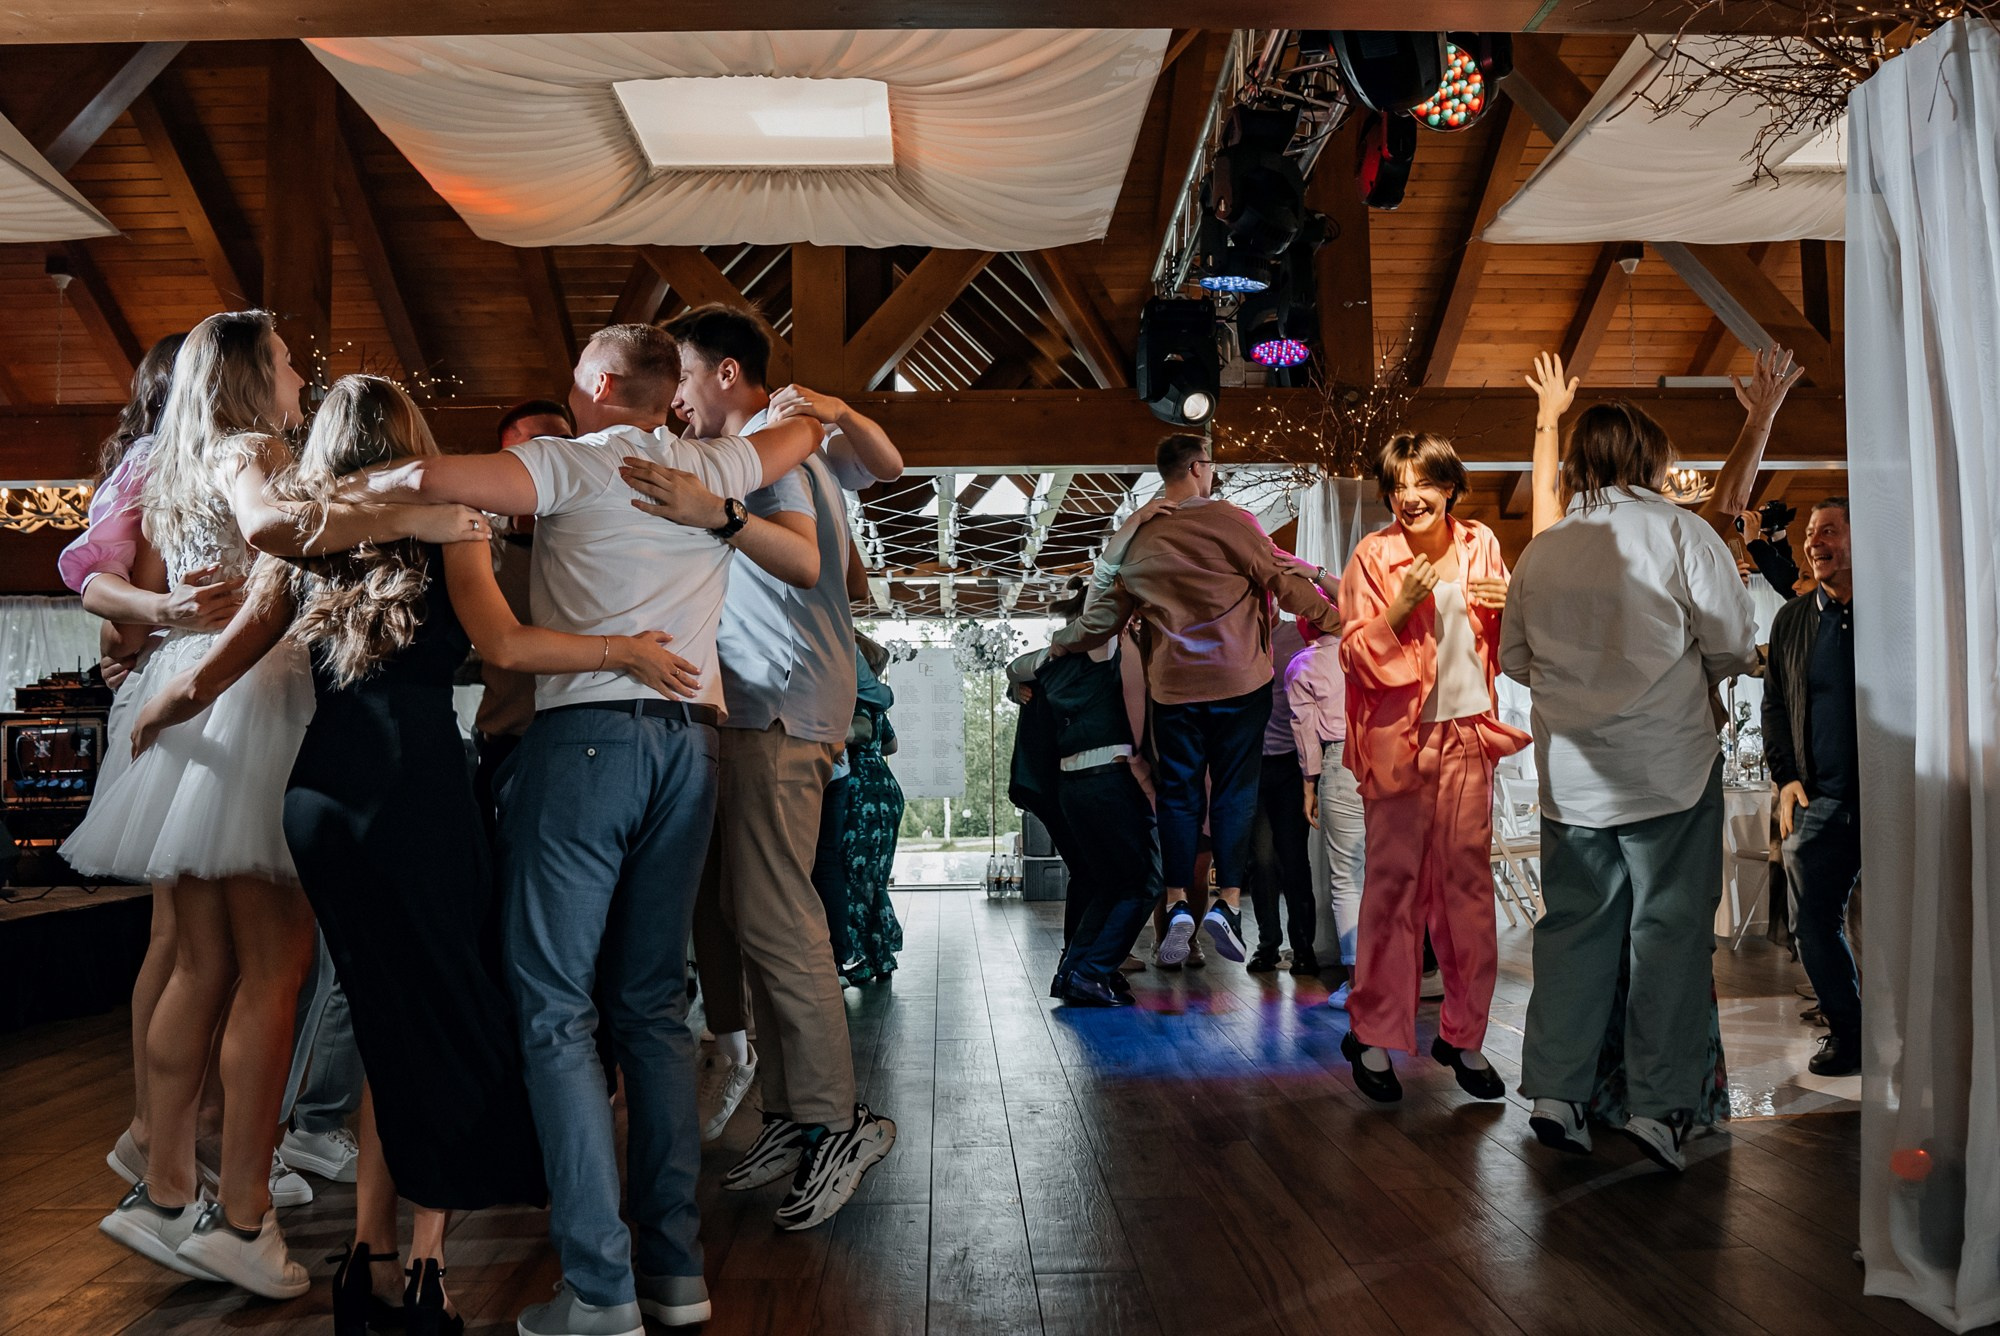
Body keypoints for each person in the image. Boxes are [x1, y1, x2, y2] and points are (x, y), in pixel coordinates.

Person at [132, 375, 689, 1331]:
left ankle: (365, 1258)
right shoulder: (453, 527)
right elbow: (505, 648)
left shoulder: (302, 542)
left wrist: (154, 708)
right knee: (438, 1021)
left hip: (321, 800)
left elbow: (218, 665)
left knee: (387, 1021)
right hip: (419, 795)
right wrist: (621, 654)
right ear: (412, 439)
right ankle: (423, 1270)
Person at [341, 322, 833, 1336]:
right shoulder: (716, 460)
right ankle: (674, 1274)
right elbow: (801, 436)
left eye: (574, 378)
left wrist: (317, 493)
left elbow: (420, 471)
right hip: (691, 747)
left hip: (587, 746)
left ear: (603, 383)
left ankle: (600, 1288)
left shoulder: (563, 462)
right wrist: (797, 425)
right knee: (651, 1011)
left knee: (555, 1010)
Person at [63, 310, 490, 1299]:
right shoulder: (255, 448)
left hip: (184, 696)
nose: (303, 378)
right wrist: (410, 515)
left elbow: (117, 575)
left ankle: (166, 1176)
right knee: (274, 970)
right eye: (291, 364)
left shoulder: (168, 459)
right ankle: (242, 1212)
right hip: (251, 700)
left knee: (191, 956)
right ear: (255, 376)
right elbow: (269, 533)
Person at [1512, 347, 1801, 1166]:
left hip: (1571, 780)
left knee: (1571, 933)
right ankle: (1659, 1111)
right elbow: (1732, 644)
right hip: (1669, 769)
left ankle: (1557, 1095)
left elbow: (1517, 662)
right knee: (1666, 938)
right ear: (1652, 459)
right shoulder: (1681, 534)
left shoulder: (1543, 551)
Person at [647, 305, 901, 1229]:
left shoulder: (765, 444)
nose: (673, 398)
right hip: (773, 702)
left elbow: (798, 560)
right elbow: (886, 467)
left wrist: (710, 513)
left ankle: (841, 1121)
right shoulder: (774, 444)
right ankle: (796, 1116)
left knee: (780, 913)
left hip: (784, 702)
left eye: (679, 376)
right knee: (752, 913)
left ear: (724, 373)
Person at [1051, 435, 1340, 974]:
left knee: (1179, 795)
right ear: (1199, 467)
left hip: (1175, 689)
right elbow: (1282, 582)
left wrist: (1060, 643)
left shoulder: (1141, 540)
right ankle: (1228, 904)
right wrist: (1335, 621)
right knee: (1234, 790)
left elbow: (1100, 618)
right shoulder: (1234, 521)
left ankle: (1179, 899)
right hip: (1239, 683)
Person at [1336, 433, 1529, 1104]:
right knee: (1393, 891)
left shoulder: (1480, 545)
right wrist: (1395, 610)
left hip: (1468, 738)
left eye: (1424, 482)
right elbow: (1357, 656)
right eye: (1398, 485)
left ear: (1450, 487)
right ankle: (1375, 1036)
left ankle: (1464, 1035)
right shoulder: (1374, 556)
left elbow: (1499, 651)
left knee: (1468, 897)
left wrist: (1510, 610)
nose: (1410, 496)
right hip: (1399, 744)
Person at [1008, 583, 1162, 1006]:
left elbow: (1018, 668)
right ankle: (1091, 971)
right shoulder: (1109, 644)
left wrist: (1023, 677)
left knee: (1108, 884)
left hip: (1072, 785)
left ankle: (1073, 973)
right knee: (1142, 882)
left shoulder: (1054, 659)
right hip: (1108, 776)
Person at [1763, 498, 1862, 1078]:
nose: (1812, 542)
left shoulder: (1900, 609)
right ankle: (1850, 1034)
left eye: (1828, 531)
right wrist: (1786, 777)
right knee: (1812, 926)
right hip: (1820, 799)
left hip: (1895, 795)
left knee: (1912, 918)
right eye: (1808, 534)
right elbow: (1774, 705)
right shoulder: (1793, 619)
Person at [472, 398, 577, 835]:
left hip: (579, 743)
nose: (556, 454)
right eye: (541, 443)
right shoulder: (481, 552)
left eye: (567, 443)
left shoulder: (592, 544)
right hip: (506, 741)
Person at [1285, 605, 1364, 1004]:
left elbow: (1305, 732)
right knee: (1394, 874)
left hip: (1341, 763)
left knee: (1348, 878)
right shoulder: (1368, 647)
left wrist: (1308, 786)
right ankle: (1405, 976)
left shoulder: (1304, 665)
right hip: (1392, 759)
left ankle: (1359, 983)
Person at [1247, 614, 1318, 975]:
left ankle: (1304, 948)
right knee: (1261, 861)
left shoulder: (1295, 636)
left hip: (1291, 763)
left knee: (1293, 859)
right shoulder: (1237, 634)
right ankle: (1268, 945)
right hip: (1251, 766)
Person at [843, 635, 907, 985]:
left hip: (859, 789)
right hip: (885, 787)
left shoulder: (853, 698)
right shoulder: (877, 702)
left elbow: (863, 731)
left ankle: (861, 959)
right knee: (875, 879)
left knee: (853, 877)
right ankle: (882, 956)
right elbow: (892, 745)